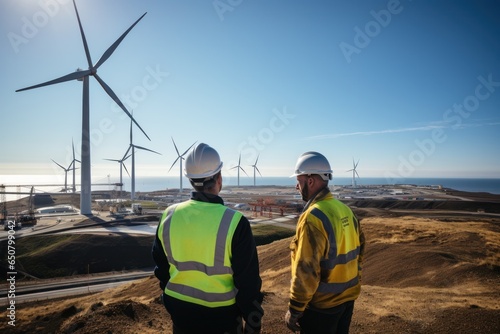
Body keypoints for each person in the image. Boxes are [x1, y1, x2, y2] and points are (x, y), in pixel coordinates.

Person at [152, 143, 264, 334]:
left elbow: (161, 268)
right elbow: (248, 283)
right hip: (222, 320)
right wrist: (253, 324)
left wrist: (169, 299)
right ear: (219, 178)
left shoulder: (168, 216)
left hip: (181, 317)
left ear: (190, 180)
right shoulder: (235, 222)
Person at [284, 151, 365, 334]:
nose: (297, 187)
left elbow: (307, 269)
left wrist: (295, 309)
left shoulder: (313, 217)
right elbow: (360, 254)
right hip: (347, 302)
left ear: (310, 181)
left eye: (299, 181)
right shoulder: (346, 210)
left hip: (322, 309)